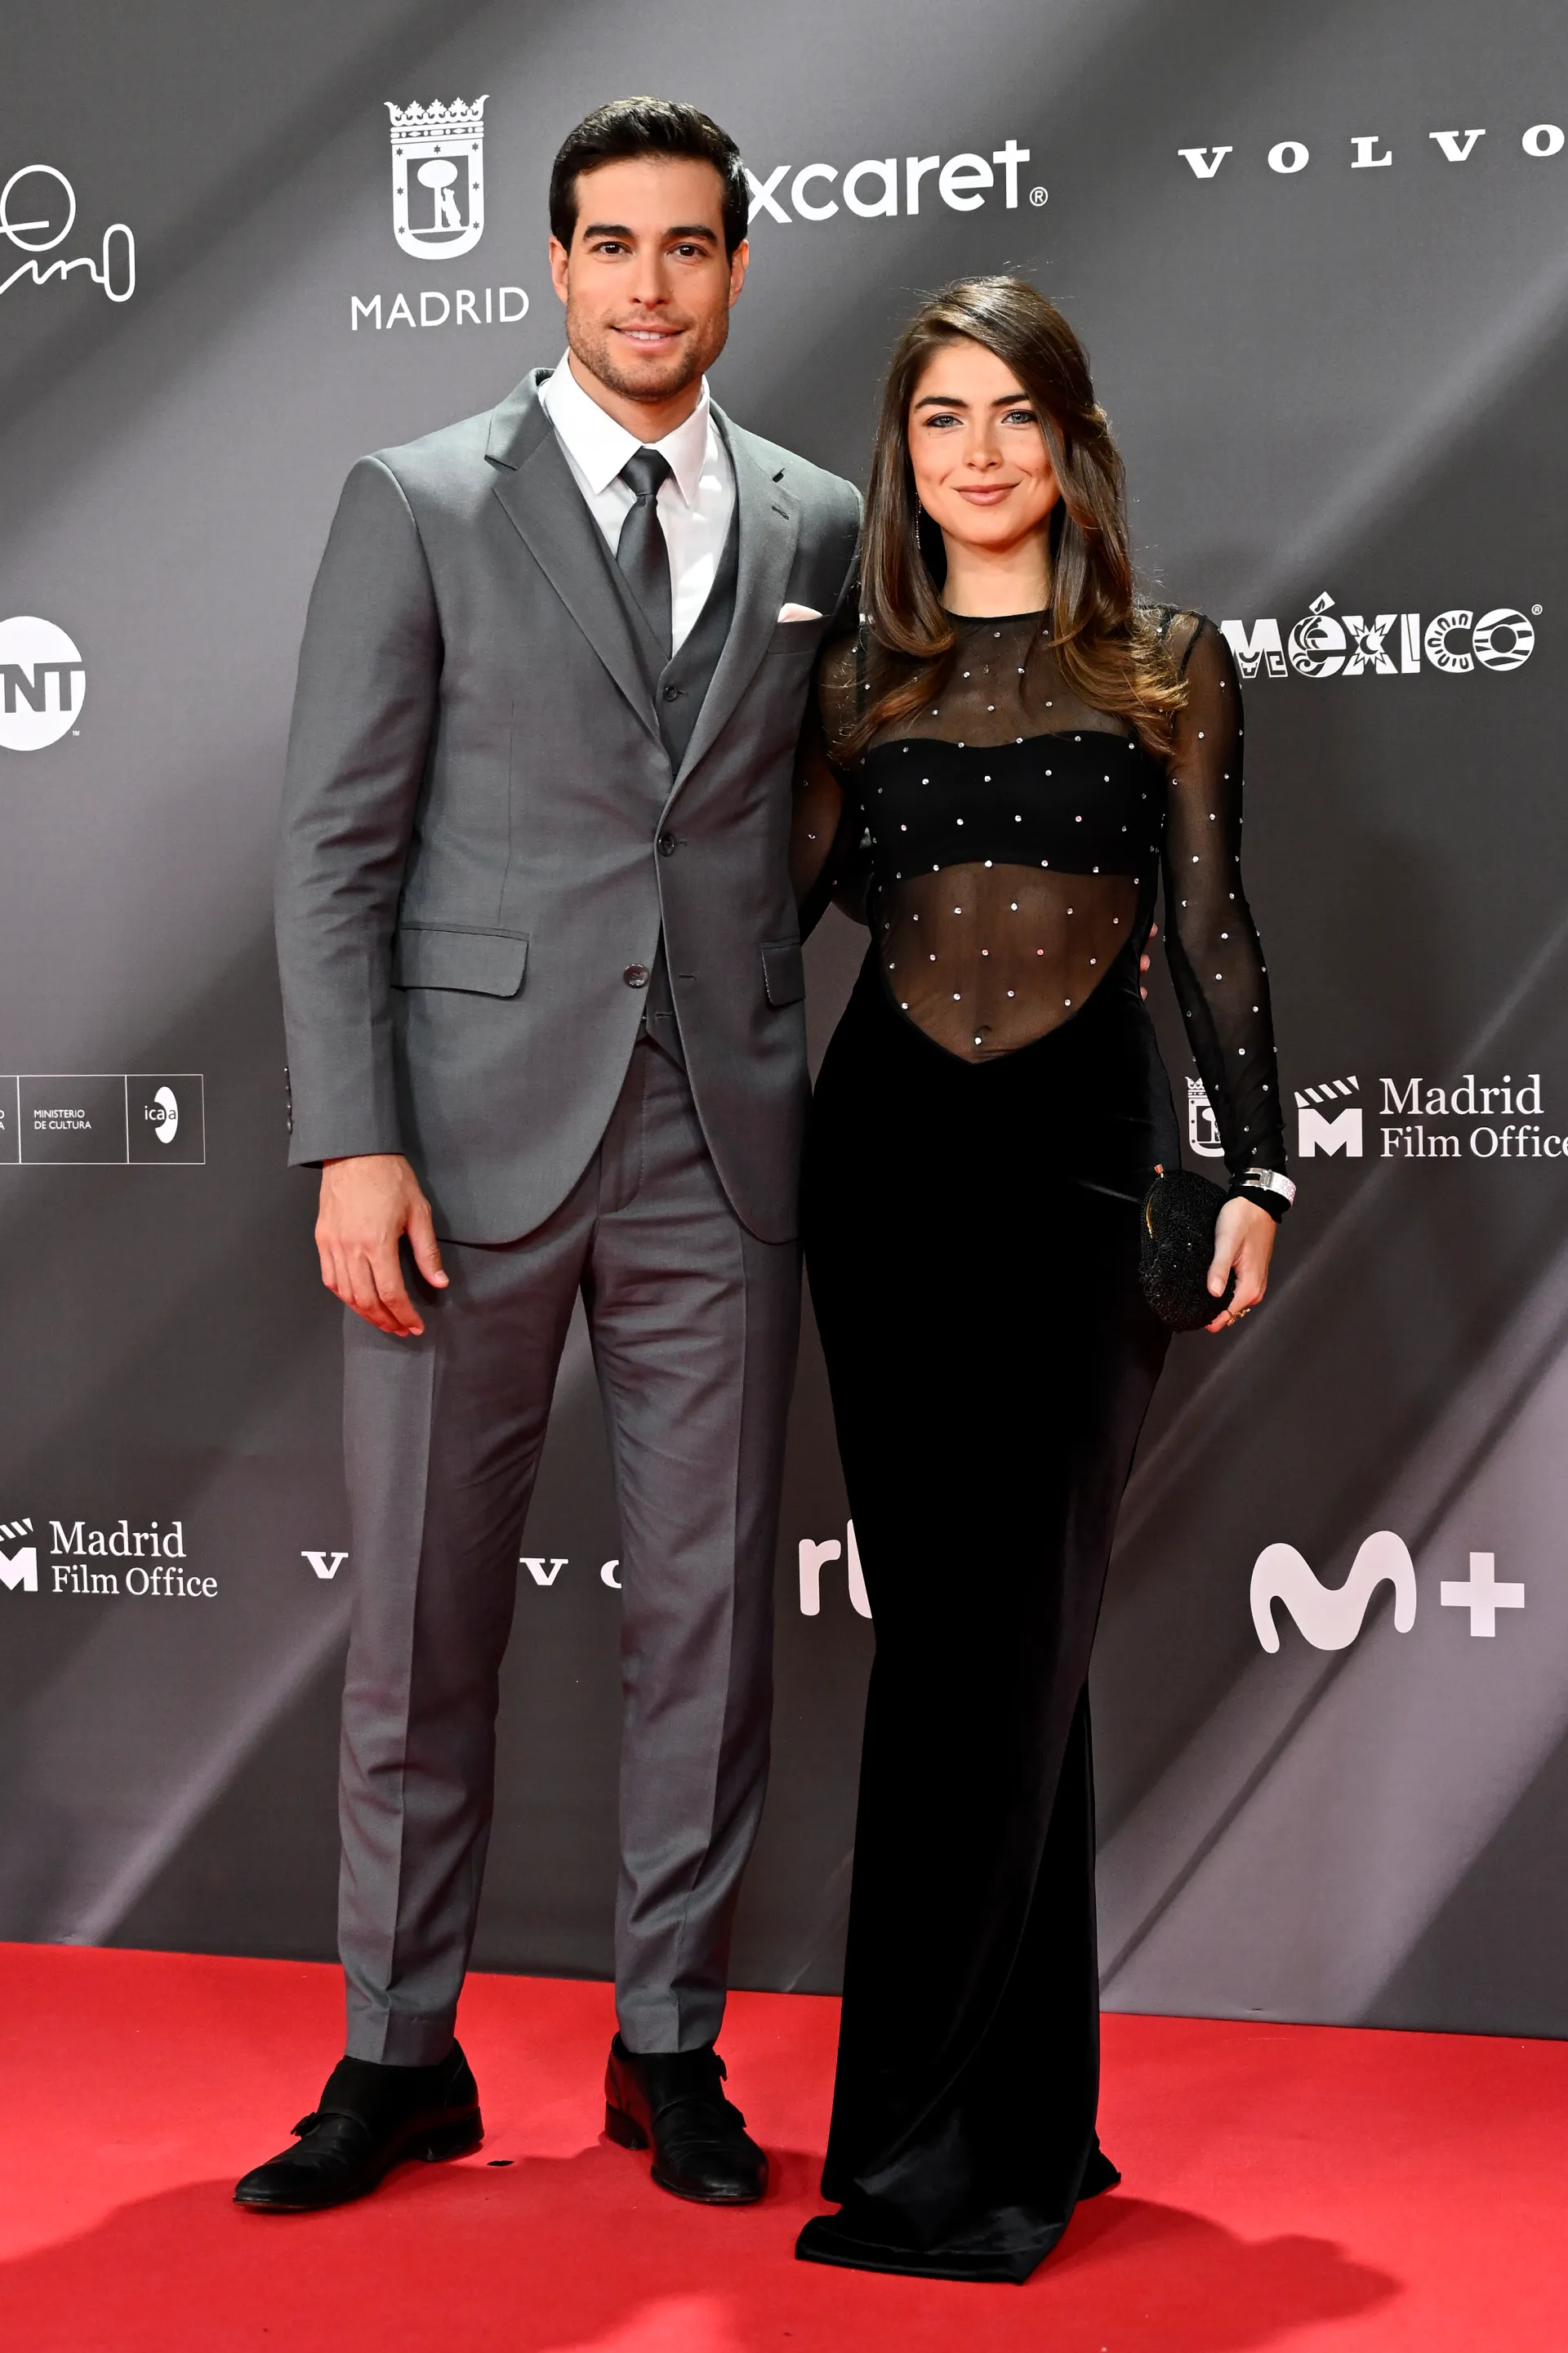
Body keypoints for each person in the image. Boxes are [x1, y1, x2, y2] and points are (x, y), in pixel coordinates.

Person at [237, 97, 859, 2215]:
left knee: (707, 1623)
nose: (649, 287)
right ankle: (396, 2056)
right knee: (420, 1622)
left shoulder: (815, 522)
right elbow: (332, 853)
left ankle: (667, 2045)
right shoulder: (418, 500)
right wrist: (353, 1142)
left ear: (738, 267)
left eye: (689, 247)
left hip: (720, 1140)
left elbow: (810, 820)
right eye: (612, 245)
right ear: (558, 263)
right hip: (456, 1144)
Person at [789, 277, 1292, 2283]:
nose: (979, 452)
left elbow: (1211, 928)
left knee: (1009, 1640)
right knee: (967, 1646)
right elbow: (753, 928)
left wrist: (1256, 1161)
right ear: (901, 457)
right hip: (887, 1177)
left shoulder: (1168, 666)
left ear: (1072, 444)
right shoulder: (851, 683)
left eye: (1013, 414)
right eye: (941, 420)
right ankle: (1009, 2119)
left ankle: (943, 2153)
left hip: (1087, 1177)